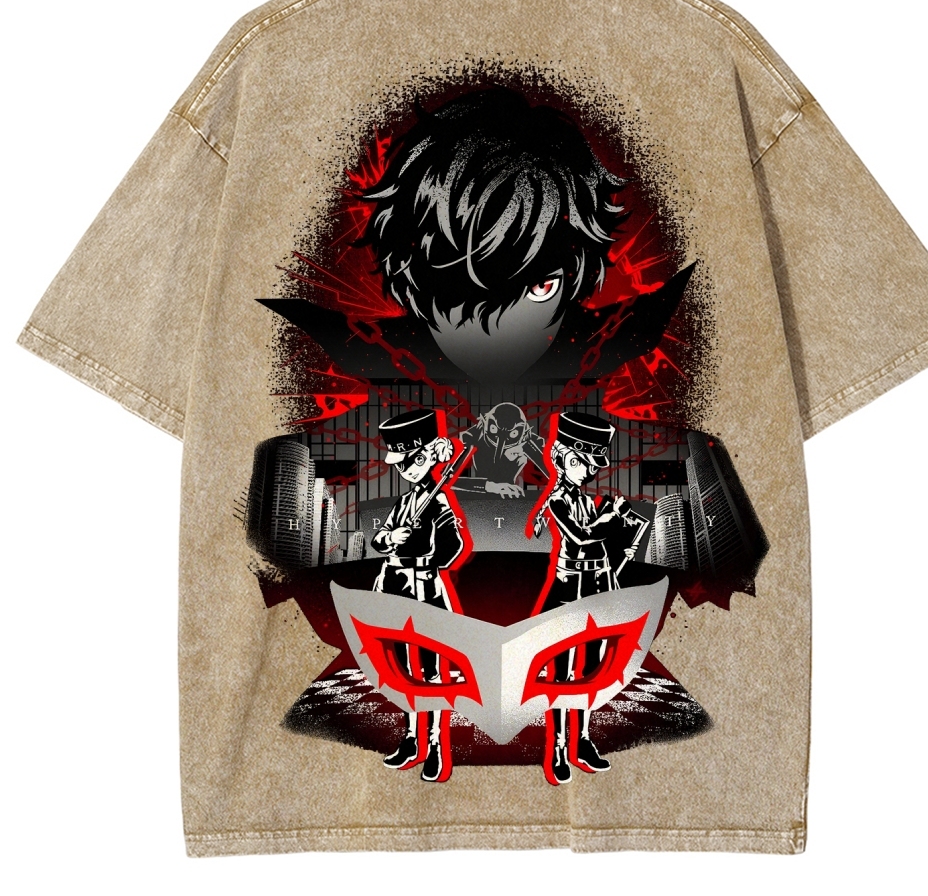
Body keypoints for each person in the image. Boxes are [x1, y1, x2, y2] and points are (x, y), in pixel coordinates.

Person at [259, 87, 694, 386]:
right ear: (411, 266)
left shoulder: (614, 339)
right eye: (460, 292)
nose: (499, 334)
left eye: (539, 288)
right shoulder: (367, 350)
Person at [534, 411, 645, 785]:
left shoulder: (583, 499)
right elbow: (581, 537)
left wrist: (623, 538)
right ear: (564, 457)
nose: (589, 472)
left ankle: (581, 741)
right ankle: (558, 747)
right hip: (569, 590)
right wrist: (610, 518)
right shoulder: (558, 501)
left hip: (598, 586)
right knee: (562, 674)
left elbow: (598, 544)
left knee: (590, 673)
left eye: (594, 465)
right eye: (583, 463)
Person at [370, 408, 464, 782]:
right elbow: (380, 539)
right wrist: (392, 537)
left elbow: (453, 548)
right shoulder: (406, 501)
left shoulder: (438, 502)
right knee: (404, 673)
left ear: (425, 457)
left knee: (430, 673)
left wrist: (424, 556)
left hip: (423, 588)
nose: (404, 470)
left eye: (408, 461)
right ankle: (413, 738)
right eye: (401, 464)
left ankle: (436, 745)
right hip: (395, 588)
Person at [452, 401, 546, 498]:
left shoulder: (528, 440)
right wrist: (488, 486)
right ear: (486, 423)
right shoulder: (471, 437)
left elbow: (554, 477)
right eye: (493, 428)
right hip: (479, 496)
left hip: (511, 496)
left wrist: (530, 449)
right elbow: (446, 479)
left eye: (513, 433)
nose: (501, 441)